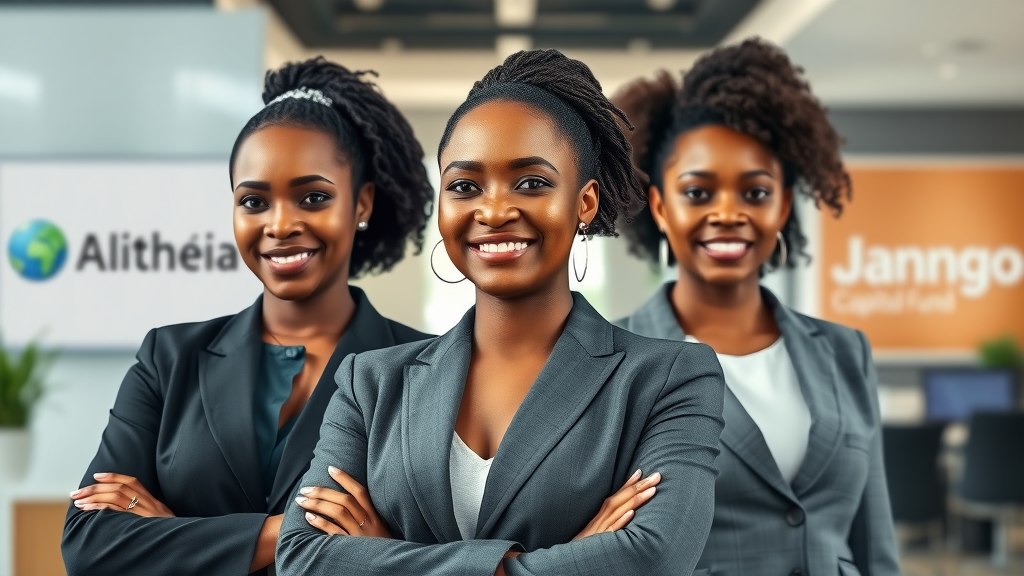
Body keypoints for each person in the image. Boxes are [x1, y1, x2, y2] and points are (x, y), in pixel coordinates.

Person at [274, 49, 726, 576]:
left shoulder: (668, 379)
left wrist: (389, 552)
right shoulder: (370, 383)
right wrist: (549, 562)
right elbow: (303, 557)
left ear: (585, 202)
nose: (492, 211)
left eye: (532, 183)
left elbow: (654, 557)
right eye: (465, 187)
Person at [61, 57, 434, 576]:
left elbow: (436, 551)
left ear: (362, 203)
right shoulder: (168, 359)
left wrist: (172, 532)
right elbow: (88, 543)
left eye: (313, 197)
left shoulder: (426, 367)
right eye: (254, 201)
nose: (280, 224)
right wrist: (296, 532)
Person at [612, 38, 900, 576]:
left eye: (755, 192)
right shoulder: (614, 361)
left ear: (784, 206)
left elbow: (874, 541)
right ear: (660, 207)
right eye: (698, 193)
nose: (728, 213)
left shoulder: (843, 350)